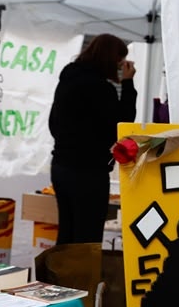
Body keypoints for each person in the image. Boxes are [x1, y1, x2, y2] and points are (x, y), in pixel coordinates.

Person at [48, 34, 137, 245]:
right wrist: (128, 83)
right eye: (119, 61)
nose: (120, 66)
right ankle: (79, 278)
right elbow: (121, 124)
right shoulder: (100, 88)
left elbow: (54, 123)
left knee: (67, 232)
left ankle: (60, 277)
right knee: (87, 237)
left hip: (61, 165)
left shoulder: (68, 78)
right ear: (110, 59)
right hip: (88, 171)